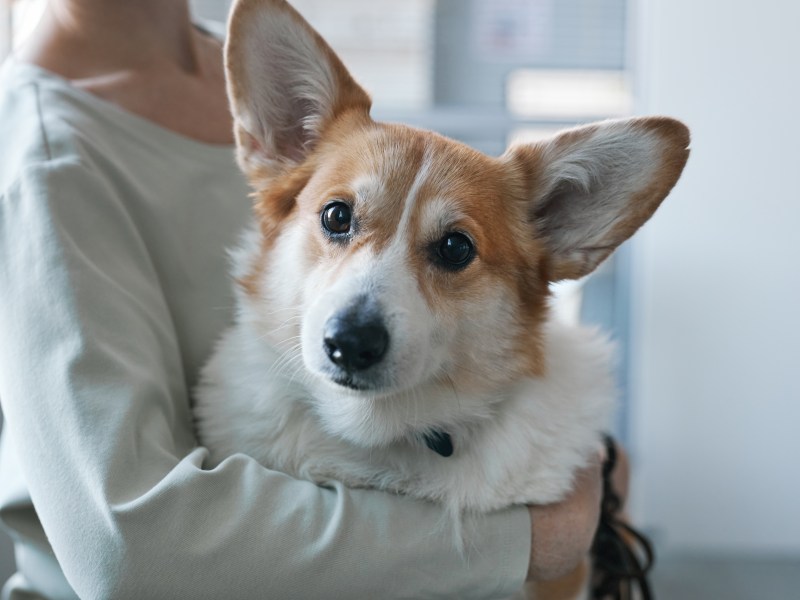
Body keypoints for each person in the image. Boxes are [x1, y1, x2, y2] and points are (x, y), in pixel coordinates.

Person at [0, 0, 610, 597]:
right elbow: (126, 546)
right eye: (340, 219)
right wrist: (526, 542)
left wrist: (571, 451)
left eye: (452, 250)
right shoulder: (45, 157)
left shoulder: (251, 65)